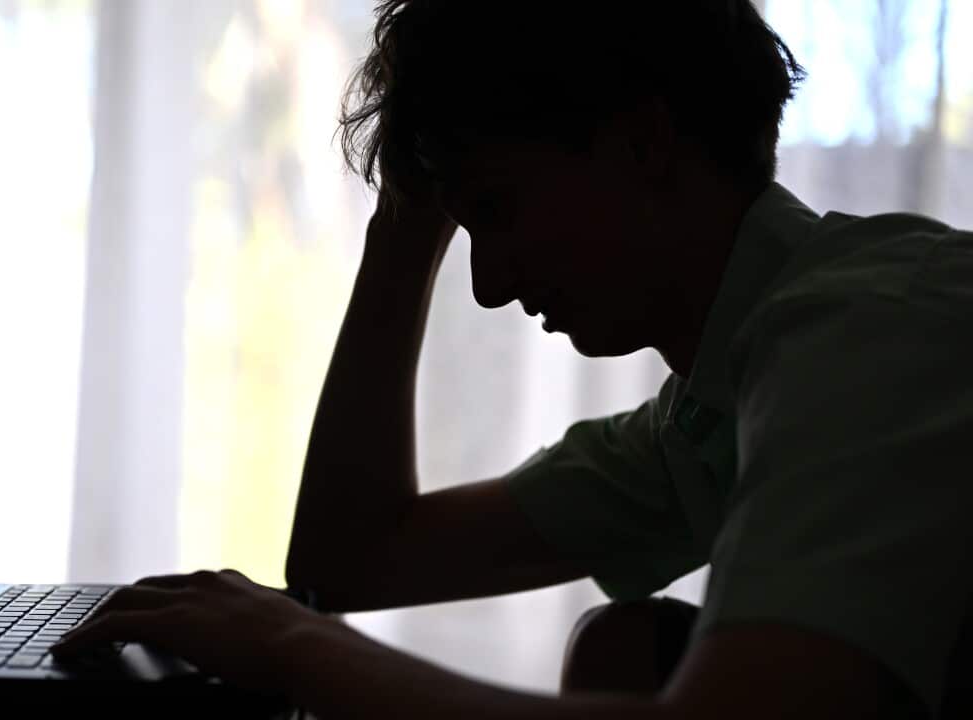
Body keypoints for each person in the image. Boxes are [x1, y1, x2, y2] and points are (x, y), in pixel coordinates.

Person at [53, 1, 973, 717]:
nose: (488, 285)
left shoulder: (866, 333)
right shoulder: (709, 414)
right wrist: (402, 232)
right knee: (625, 648)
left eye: (494, 206)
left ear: (645, 144)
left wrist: (291, 647)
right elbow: (350, 563)